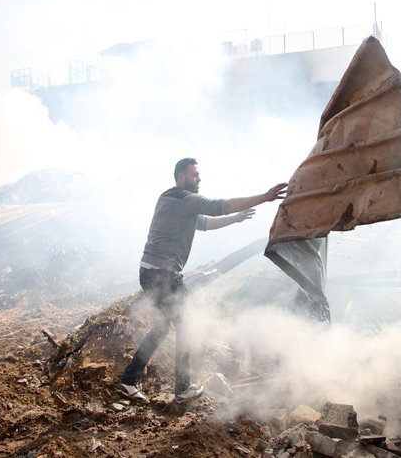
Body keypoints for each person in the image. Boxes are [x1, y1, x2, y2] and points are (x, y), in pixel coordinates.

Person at [116, 158, 287, 404]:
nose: (199, 179)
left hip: (149, 271)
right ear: (181, 177)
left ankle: (128, 382)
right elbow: (218, 206)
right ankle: (183, 389)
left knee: (162, 328)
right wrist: (265, 196)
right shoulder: (184, 199)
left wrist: (236, 220)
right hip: (164, 274)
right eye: (194, 174)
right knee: (187, 326)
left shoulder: (169, 200)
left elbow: (205, 223)